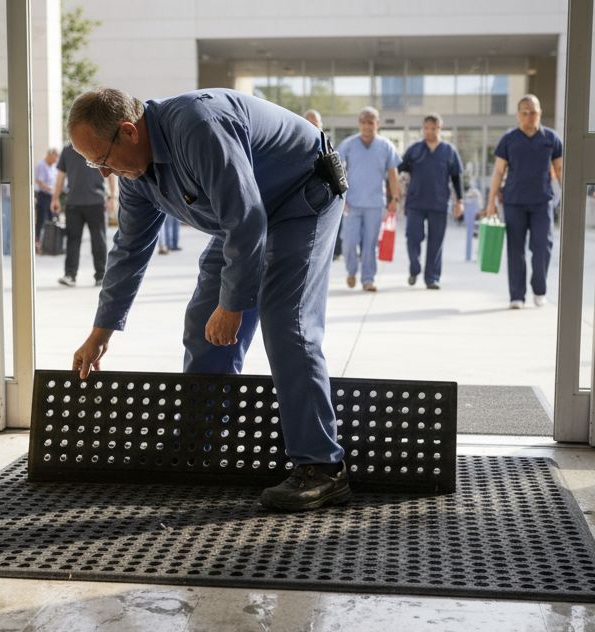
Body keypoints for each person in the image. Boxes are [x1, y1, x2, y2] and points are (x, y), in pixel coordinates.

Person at [66, 87, 350, 512]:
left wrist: (234, 304)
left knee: (285, 324)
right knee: (204, 322)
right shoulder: (137, 175)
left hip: (299, 197)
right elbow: (128, 250)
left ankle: (323, 467)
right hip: (243, 216)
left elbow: (248, 219)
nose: (103, 172)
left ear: (128, 132)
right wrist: (101, 331)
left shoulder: (198, 127)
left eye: (101, 160)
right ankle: (204, 440)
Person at [486, 95, 563, 308]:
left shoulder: (552, 139)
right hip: (514, 202)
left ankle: (539, 290)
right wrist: (491, 202)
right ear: (518, 115)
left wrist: (569, 198)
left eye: (534, 112)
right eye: (525, 112)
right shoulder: (509, 139)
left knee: (542, 247)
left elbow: (560, 170)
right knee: (515, 250)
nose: (530, 116)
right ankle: (517, 296)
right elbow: (498, 172)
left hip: (542, 202)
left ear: (540, 112)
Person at [336, 106, 400, 291]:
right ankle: (351, 271)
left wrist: (394, 198)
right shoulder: (348, 144)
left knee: (370, 245)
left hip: (374, 204)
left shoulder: (386, 146)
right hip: (351, 204)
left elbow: (393, 173)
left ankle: (368, 279)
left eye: (370, 123)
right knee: (349, 242)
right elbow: (337, 171)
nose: (366, 126)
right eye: (363, 122)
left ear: (377, 124)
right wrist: (340, 198)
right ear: (359, 124)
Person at [400, 114, 464, 289]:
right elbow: (400, 169)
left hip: (439, 202)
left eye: (433, 128)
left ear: (440, 128)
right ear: (423, 129)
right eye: (426, 128)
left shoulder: (449, 151)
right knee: (413, 237)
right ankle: (415, 267)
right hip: (415, 202)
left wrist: (459, 201)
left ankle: (432, 278)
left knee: (436, 242)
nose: (430, 131)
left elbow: (456, 178)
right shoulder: (414, 150)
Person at [52, 143, 117, 286]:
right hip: (74, 203)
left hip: (96, 203)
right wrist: (55, 198)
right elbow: (61, 176)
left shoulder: (98, 143)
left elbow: (110, 173)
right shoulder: (67, 150)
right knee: (73, 241)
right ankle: (70, 275)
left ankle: (101, 275)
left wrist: (112, 196)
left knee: (98, 240)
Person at [34, 147, 59, 253]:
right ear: (50, 155)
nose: (56, 160)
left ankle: (48, 244)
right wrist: (48, 187)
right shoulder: (41, 164)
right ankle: (37, 244)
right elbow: (38, 180)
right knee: (41, 220)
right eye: (55, 157)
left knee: (51, 220)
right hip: (43, 195)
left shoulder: (53, 167)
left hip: (51, 196)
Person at [462, 185, 483, 262]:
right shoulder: (473, 196)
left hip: (475, 221)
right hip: (474, 221)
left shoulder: (470, 197)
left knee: (477, 238)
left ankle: (474, 257)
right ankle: (472, 256)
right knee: (475, 238)